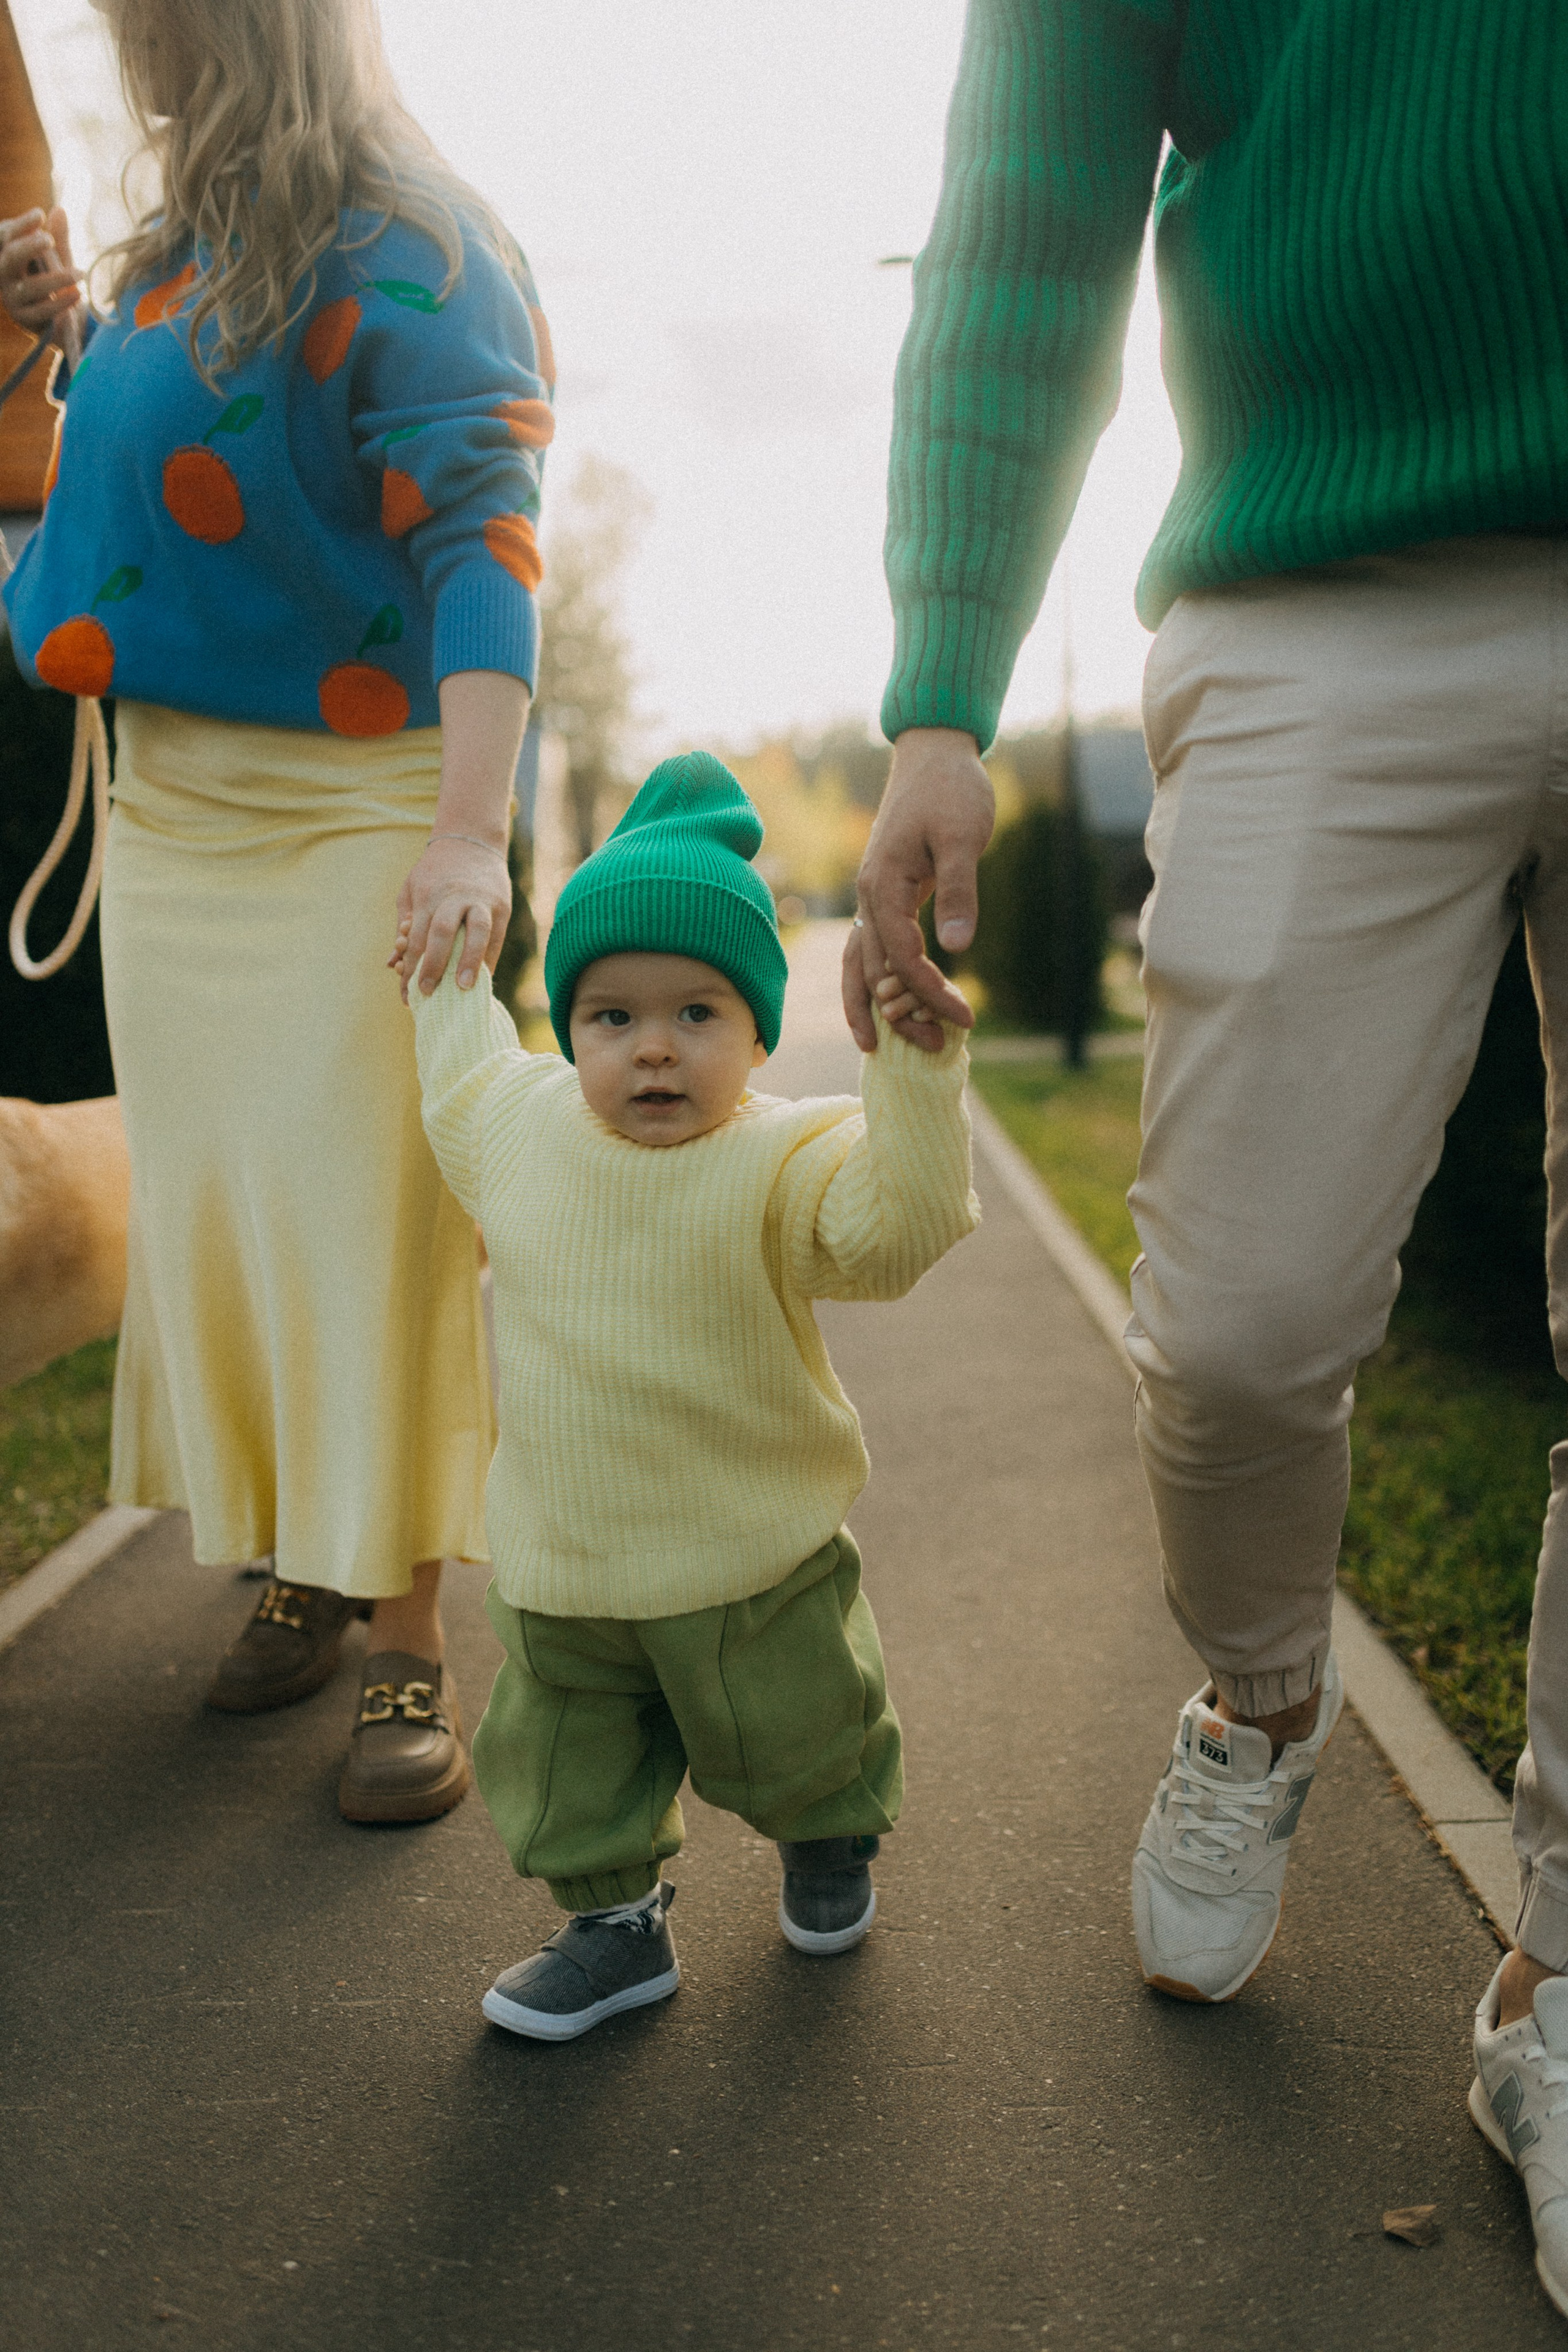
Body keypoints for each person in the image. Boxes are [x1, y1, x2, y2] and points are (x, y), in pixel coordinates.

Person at [845, 0, 1568, 2312]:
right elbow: (1029, 226)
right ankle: (1260, 1694)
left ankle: (1552, 1984)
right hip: (1319, 600)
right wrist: (946, 682)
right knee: (1242, 1331)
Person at [0, 0, 551, 1822]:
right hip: (172, 821)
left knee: (366, 1219)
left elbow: (485, 534)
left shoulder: (430, 241)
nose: (136, 64)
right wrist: (57, 344)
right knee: (231, 1214)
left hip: (356, 812)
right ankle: (310, 1560)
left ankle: (408, 1626)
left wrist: (472, 835)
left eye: (159, 30)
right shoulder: (181, 246)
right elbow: (193, 479)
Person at [395, 751, 978, 2039]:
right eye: (610, 1017)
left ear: (758, 1030)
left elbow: (900, 1234)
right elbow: (453, 1064)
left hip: (750, 1558)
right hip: (565, 1567)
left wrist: (916, 1077)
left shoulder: (786, 1154)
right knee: (563, 1768)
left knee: (801, 1732)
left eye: (697, 1015)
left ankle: (828, 1839)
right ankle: (612, 1931)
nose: (652, 1048)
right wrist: (447, 953)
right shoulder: (514, 1123)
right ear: (565, 1026)